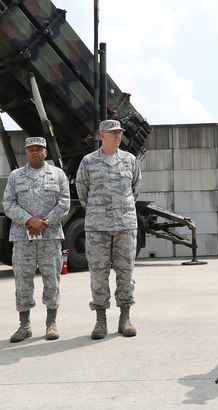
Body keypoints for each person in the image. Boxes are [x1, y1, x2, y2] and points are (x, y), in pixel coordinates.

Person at [75, 119, 142, 339]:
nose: (118, 136)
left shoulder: (130, 160)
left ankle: (125, 317)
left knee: (126, 273)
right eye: (113, 133)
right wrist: (98, 212)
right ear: (102, 135)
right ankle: (100, 319)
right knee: (98, 274)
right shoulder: (88, 162)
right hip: (97, 228)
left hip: (125, 226)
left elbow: (135, 190)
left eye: (119, 133)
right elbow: (82, 192)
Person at [2, 137, 70, 342]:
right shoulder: (16, 176)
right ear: (26, 153)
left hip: (50, 237)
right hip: (23, 237)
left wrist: (45, 222)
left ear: (46, 153)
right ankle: (24, 324)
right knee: (22, 280)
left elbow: (64, 203)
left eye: (38, 149)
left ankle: (51, 322)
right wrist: (29, 220)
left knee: (52, 279)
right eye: (30, 149)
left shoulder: (57, 174)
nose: (34, 152)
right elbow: (8, 204)